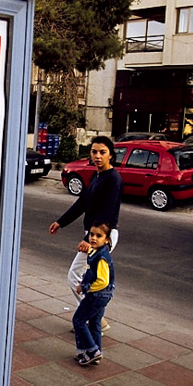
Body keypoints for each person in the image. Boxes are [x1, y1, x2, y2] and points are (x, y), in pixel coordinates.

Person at [48, 135, 122, 333]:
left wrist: (90, 240)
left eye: (102, 152)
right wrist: (61, 222)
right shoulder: (97, 176)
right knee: (87, 278)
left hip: (102, 237)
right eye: (94, 152)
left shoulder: (113, 179)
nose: (97, 156)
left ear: (111, 156)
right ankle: (92, 318)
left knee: (74, 275)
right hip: (94, 236)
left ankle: (94, 317)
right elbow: (82, 203)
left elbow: (105, 214)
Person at [72, 221, 115, 365]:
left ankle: (91, 350)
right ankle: (95, 353)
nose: (94, 238)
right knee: (95, 323)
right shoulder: (96, 252)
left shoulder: (102, 257)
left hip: (97, 295)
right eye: (91, 234)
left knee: (78, 320)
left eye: (99, 236)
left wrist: (85, 288)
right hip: (102, 296)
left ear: (107, 239)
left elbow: (103, 280)